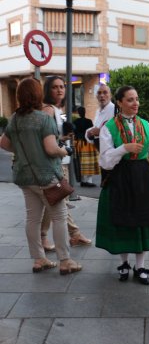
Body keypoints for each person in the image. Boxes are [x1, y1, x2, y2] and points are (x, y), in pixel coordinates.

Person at [0, 78, 82, 275]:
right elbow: (51, 148)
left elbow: (4, 143)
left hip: (24, 177)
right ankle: (65, 261)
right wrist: (65, 152)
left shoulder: (14, 119)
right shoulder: (43, 118)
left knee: (33, 218)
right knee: (59, 216)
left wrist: (20, 149)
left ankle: (39, 259)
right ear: (38, 94)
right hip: (47, 177)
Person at [96, 85, 149, 285]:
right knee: (123, 219)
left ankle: (141, 266)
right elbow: (105, 161)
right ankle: (124, 263)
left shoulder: (146, 125)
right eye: (130, 99)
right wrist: (123, 148)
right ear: (119, 103)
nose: (135, 103)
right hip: (121, 177)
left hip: (143, 177)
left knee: (144, 220)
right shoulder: (108, 127)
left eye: (136, 99)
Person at [39, 76, 92, 249]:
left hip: (60, 160)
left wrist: (63, 137)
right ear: (48, 90)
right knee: (56, 200)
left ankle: (57, 235)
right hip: (54, 162)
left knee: (55, 200)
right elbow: (45, 140)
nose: (60, 90)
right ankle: (67, 235)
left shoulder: (55, 109)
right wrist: (61, 141)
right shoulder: (48, 110)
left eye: (62, 87)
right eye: (55, 87)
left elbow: (52, 137)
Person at [73, 106, 99, 187]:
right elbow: (91, 133)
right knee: (89, 162)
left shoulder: (76, 121)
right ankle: (89, 181)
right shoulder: (89, 121)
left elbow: (75, 133)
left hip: (79, 143)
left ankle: (83, 180)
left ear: (78, 113)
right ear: (84, 112)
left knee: (81, 162)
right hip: (88, 143)